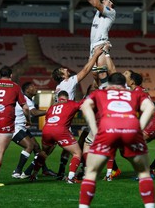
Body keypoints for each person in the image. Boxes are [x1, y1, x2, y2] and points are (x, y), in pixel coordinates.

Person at [79, 72, 155, 208]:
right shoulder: (134, 94)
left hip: (107, 127)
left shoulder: (101, 93)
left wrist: (95, 130)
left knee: (91, 172)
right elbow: (150, 107)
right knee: (144, 172)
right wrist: (139, 128)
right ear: (124, 84)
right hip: (131, 127)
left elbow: (85, 106)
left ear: (109, 84)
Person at [51, 45, 103, 179]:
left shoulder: (58, 88)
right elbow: (86, 70)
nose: (67, 69)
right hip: (63, 122)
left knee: (58, 149)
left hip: (57, 120)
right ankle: (77, 173)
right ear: (62, 75)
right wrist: (96, 55)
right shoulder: (67, 82)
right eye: (64, 69)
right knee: (77, 150)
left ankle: (60, 172)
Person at [27, 90, 83, 184]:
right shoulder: (71, 103)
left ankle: (34, 174)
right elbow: (83, 105)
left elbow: (48, 119)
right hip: (60, 130)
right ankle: (70, 178)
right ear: (67, 98)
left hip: (47, 130)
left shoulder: (51, 107)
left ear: (58, 98)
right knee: (77, 153)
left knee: (44, 152)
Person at [11, 82, 56, 179]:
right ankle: (17, 171)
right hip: (15, 127)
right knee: (30, 146)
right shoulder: (25, 99)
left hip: (22, 128)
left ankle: (44, 169)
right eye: (33, 87)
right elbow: (34, 113)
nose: (36, 88)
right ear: (27, 90)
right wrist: (50, 111)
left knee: (37, 148)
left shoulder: (27, 99)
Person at [86, 0, 116, 88]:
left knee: (101, 72)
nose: (103, 0)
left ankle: (106, 92)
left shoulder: (111, 12)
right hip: (92, 45)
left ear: (110, 3)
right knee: (94, 73)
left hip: (101, 43)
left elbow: (97, 4)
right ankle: (102, 89)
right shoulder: (99, 11)